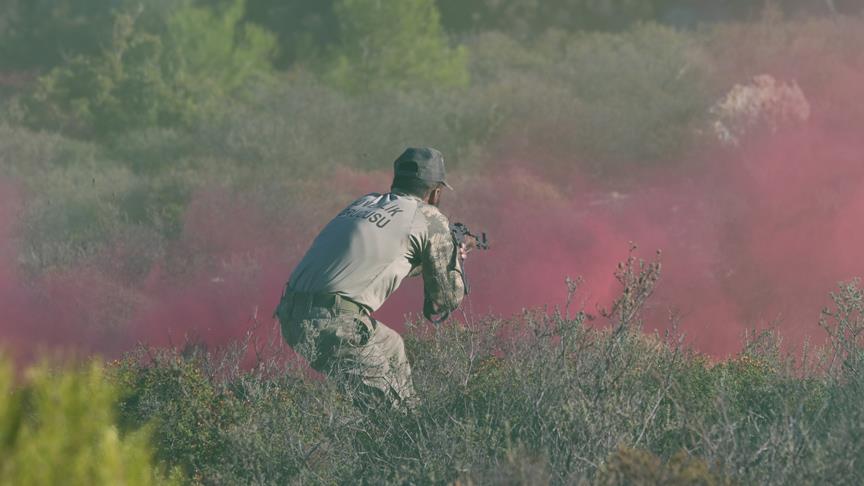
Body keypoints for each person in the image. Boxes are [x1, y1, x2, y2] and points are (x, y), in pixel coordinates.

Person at [274, 147, 474, 410]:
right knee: (393, 419)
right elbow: (446, 298)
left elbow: (387, 261)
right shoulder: (428, 216)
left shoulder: (364, 203)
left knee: (391, 347)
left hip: (292, 314)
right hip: (333, 324)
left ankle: (407, 414)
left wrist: (431, 260)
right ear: (436, 192)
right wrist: (453, 258)